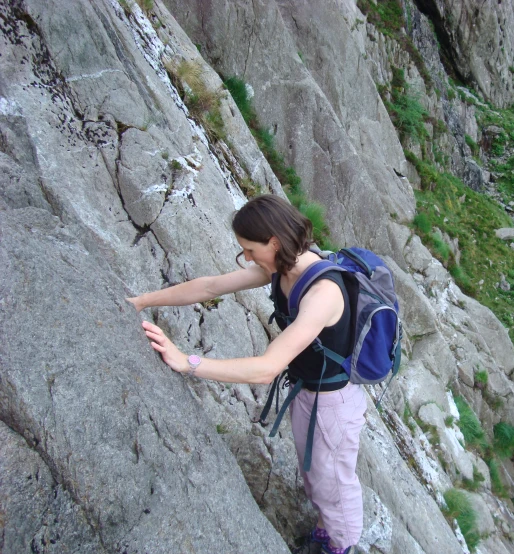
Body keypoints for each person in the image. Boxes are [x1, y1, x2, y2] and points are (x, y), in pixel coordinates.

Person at [127, 195, 365, 554]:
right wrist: (142, 301)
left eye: (249, 250)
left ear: (273, 242)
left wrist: (187, 362)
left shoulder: (323, 292)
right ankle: (325, 528)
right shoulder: (281, 266)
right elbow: (210, 287)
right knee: (317, 474)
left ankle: (340, 545)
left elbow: (267, 368)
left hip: (332, 404)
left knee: (334, 483)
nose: (247, 258)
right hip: (308, 391)